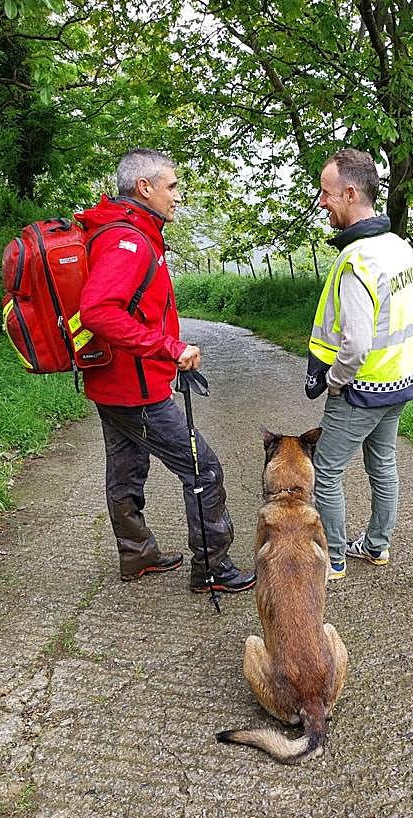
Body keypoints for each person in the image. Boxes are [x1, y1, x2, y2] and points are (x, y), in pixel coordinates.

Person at [77, 148, 255, 594]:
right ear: (145, 188)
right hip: (135, 390)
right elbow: (98, 310)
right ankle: (212, 568)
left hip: (112, 384)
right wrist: (169, 347)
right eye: (171, 186)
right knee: (204, 470)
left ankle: (137, 555)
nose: (177, 196)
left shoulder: (124, 231)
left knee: (125, 468)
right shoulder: (128, 241)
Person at [305, 148, 413, 580]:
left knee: (327, 473)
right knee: (383, 465)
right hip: (401, 381)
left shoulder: (357, 260)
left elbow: (355, 344)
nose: (321, 202)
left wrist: (335, 381)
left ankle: (333, 560)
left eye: (326, 193)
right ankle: (376, 547)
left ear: (350, 193)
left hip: (362, 389)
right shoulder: (399, 248)